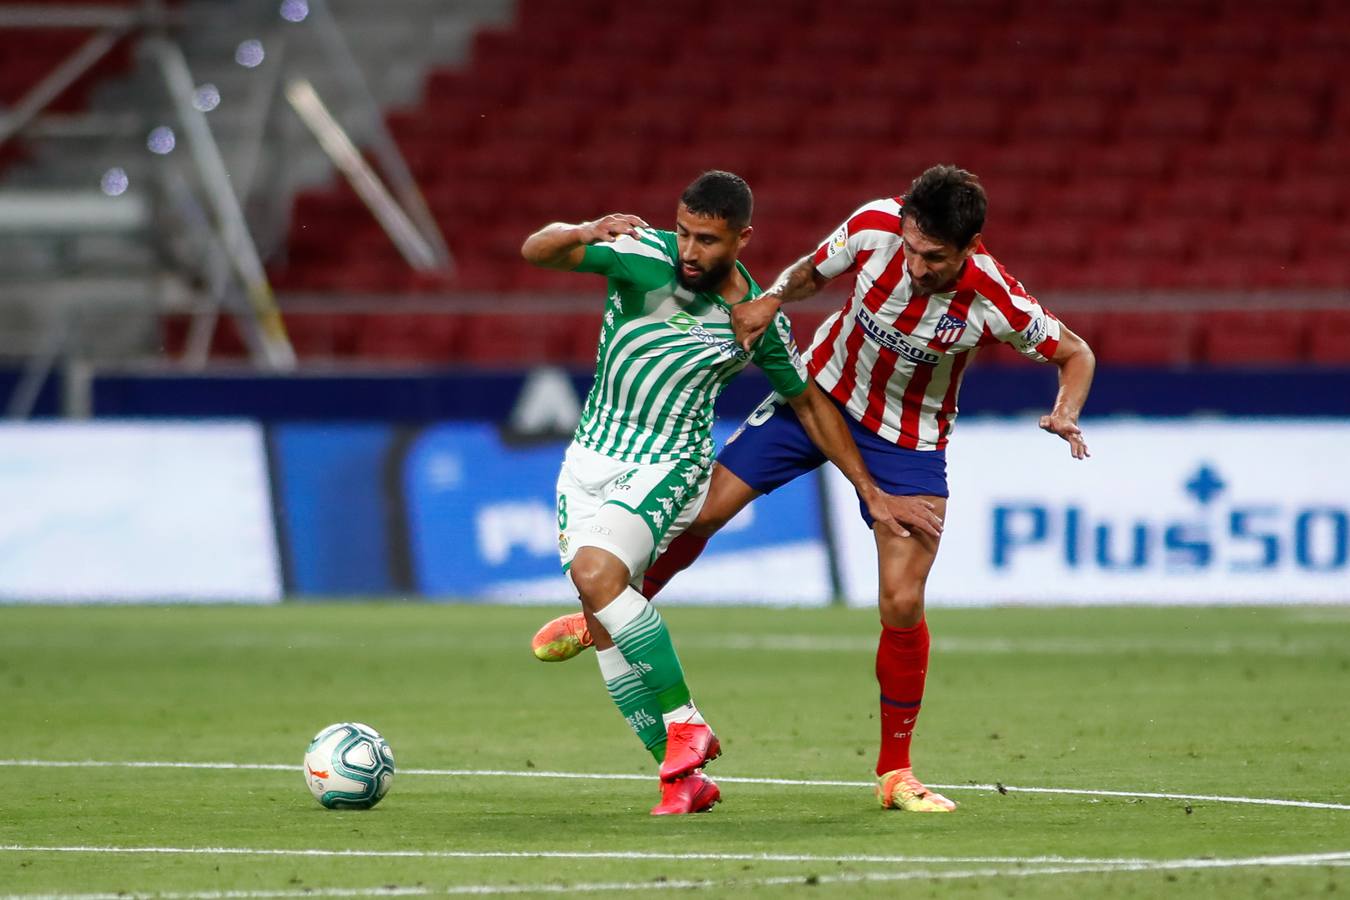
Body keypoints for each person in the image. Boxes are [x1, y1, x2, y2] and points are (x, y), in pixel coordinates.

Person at [531, 165, 1096, 813]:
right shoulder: (875, 225)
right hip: (818, 395)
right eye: (911, 247)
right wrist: (773, 297)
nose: (915, 265)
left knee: (902, 598)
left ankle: (894, 773)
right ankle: (604, 608)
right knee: (699, 513)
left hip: (906, 442)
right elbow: (811, 270)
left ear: (969, 248)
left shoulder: (996, 298)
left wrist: (1066, 411)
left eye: (934, 258)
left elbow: (1076, 352)